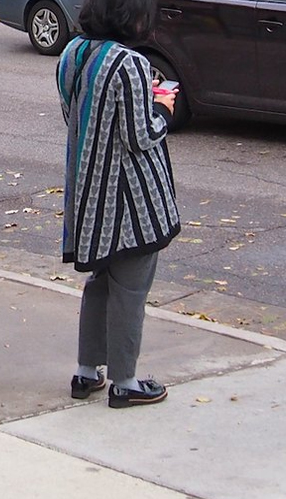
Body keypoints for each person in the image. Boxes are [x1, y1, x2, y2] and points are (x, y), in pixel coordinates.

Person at [55, 0, 181, 409]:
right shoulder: (129, 64)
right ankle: (125, 382)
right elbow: (140, 134)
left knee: (99, 283)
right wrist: (162, 107)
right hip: (130, 202)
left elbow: (74, 116)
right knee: (130, 288)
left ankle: (86, 371)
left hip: (88, 193)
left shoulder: (72, 53)